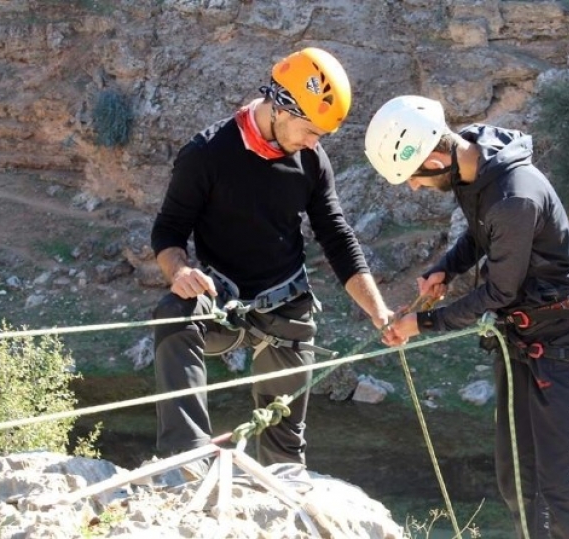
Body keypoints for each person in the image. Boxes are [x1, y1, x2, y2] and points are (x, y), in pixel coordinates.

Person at [365, 95, 569, 538]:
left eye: (414, 178)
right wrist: (445, 268)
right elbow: (481, 236)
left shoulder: (515, 197)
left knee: (562, 487)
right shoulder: (472, 164)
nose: (415, 187)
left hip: (560, 342)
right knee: (517, 478)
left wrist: (421, 324)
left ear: (436, 158)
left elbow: (498, 290)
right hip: (519, 336)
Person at [150, 48, 394, 477]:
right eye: (310, 130)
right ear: (281, 106)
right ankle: (186, 455)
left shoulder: (312, 161)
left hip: (285, 302)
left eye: (321, 135)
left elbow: (336, 236)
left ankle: (282, 480)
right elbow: (168, 230)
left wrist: (379, 312)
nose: (313, 142)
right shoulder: (207, 154)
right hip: (220, 299)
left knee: (285, 453)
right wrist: (180, 272)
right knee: (173, 315)